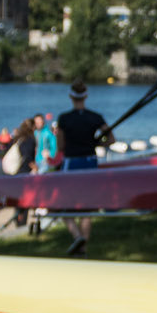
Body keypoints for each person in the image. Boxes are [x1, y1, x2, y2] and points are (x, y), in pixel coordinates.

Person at [52, 81, 107, 254]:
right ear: (86, 96)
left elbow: (60, 146)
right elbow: (111, 139)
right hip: (90, 162)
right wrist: (96, 142)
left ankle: (77, 238)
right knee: (87, 206)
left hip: (72, 163)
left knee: (65, 204)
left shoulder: (64, 118)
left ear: (70, 96)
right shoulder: (95, 117)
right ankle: (83, 247)